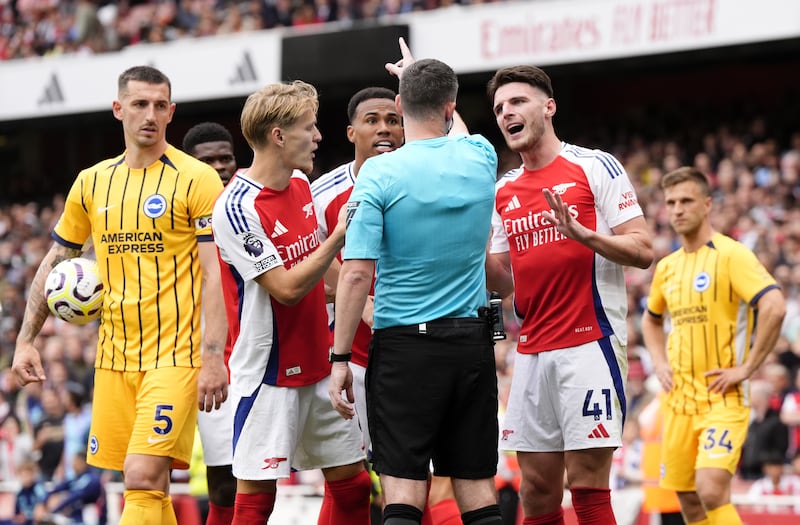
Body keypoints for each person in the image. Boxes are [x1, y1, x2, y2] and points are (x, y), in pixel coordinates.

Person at [11, 65, 229, 525]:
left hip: (176, 355)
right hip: (113, 359)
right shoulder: (92, 182)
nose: (149, 114)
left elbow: (214, 276)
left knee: (142, 477)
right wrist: (26, 338)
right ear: (118, 109)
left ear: (171, 112)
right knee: (151, 488)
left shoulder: (197, 180)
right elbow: (56, 260)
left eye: (159, 105)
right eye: (139, 104)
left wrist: (213, 357)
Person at [329, 38, 503, 525]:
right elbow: (458, 129)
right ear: (450, 106)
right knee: (476, 487)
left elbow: (358, 272)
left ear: (399, 107)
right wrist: (415, 75)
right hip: (470, 343)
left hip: (405, 347)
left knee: (404, 488)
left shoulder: (380, 174)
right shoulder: (480, 156)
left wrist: (341, 357)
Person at [485, 65, 654, 525]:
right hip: (532, 351)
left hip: (590, 345)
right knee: (536, 492)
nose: (506, 114)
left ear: (548, 106)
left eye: (517, 102)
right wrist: (464, 240)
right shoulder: (503, 190)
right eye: (499, 108)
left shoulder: (594, 166)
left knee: (587, 488)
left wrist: (584, 235)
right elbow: (501, 280)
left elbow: (643, 249)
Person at [211, 80, 371, 525]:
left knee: (354, 486)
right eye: (309, 127)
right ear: (278, 136)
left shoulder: (301, 182)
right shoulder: (235, 207)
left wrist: (373, 313)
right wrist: (339, 235)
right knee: (256, 502)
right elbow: (285, 287)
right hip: (268, 375)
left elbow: (325, 273)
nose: (318, 136)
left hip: (320, 365)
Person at [641, 166, 786, 525]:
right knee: (688, 500)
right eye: (671, 202)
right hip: (678, 401)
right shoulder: (667, 267)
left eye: (686, 200)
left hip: (723, 397)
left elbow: (774, 305)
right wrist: (659, 362)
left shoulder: (731, 254)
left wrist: (747, 368)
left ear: (707, 204)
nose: (677, 209)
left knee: (710, 489)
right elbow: (651, 319)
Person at [311, 85, 404, 521]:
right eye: (373, 120)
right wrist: (360, 296)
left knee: (417, 477)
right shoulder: (322, 193)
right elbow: (308, 261)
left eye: (394, 119)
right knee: (350, 478)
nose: (384, 128)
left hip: (417, 350)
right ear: (351, 132)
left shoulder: (423, 177)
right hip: (353, 359)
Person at [183, 121, 238, 525]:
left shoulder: (250, 205)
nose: (219, 167)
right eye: (208, 161)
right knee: (223, 486)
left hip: (257, 356)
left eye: (226, 158)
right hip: (203, 360)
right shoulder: (176, 220)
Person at [182, 121, 239, 187]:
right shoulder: (174, 196)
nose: (219, 166)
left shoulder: (251, 195)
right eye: (208, 161)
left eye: (225, 159)